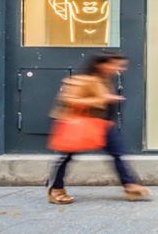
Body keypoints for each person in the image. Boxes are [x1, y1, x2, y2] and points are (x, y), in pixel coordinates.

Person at [47, 52, 151, 204]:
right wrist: (102, 99)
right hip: (80, 124)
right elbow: (69, 99)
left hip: (102, 124)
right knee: (67, 156)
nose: (119, 69)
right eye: (115, 65)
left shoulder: (104, 80)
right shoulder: (82, 80)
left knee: (118, 153)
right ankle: (55, 188)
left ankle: (130, 185)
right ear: (101, 64)